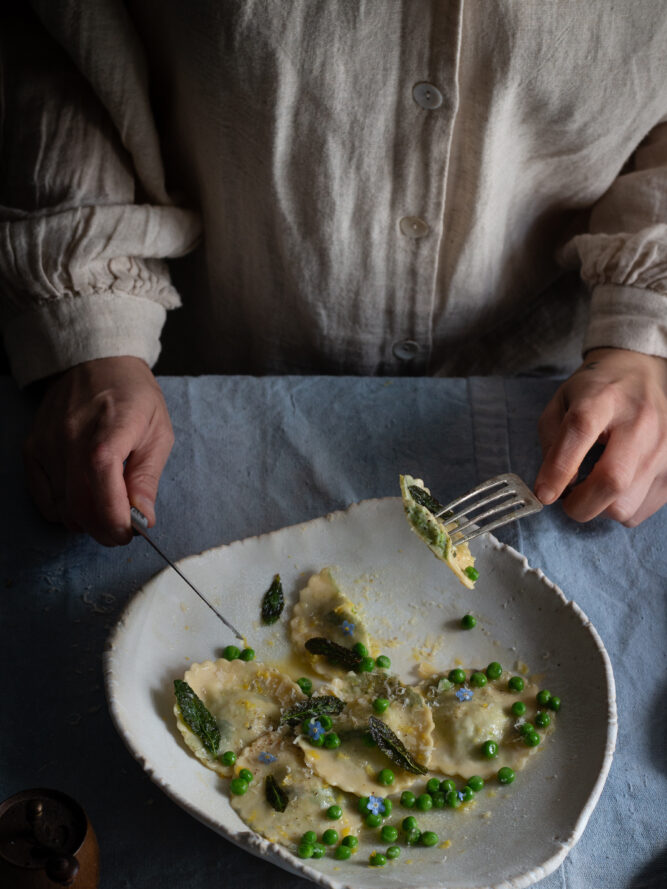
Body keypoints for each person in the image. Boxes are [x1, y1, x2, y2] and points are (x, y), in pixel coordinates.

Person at [2, 1, 666, 546]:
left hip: (558, 394)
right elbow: (65, 45)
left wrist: (642, 339)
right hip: (195, 372)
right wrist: (91, 327)